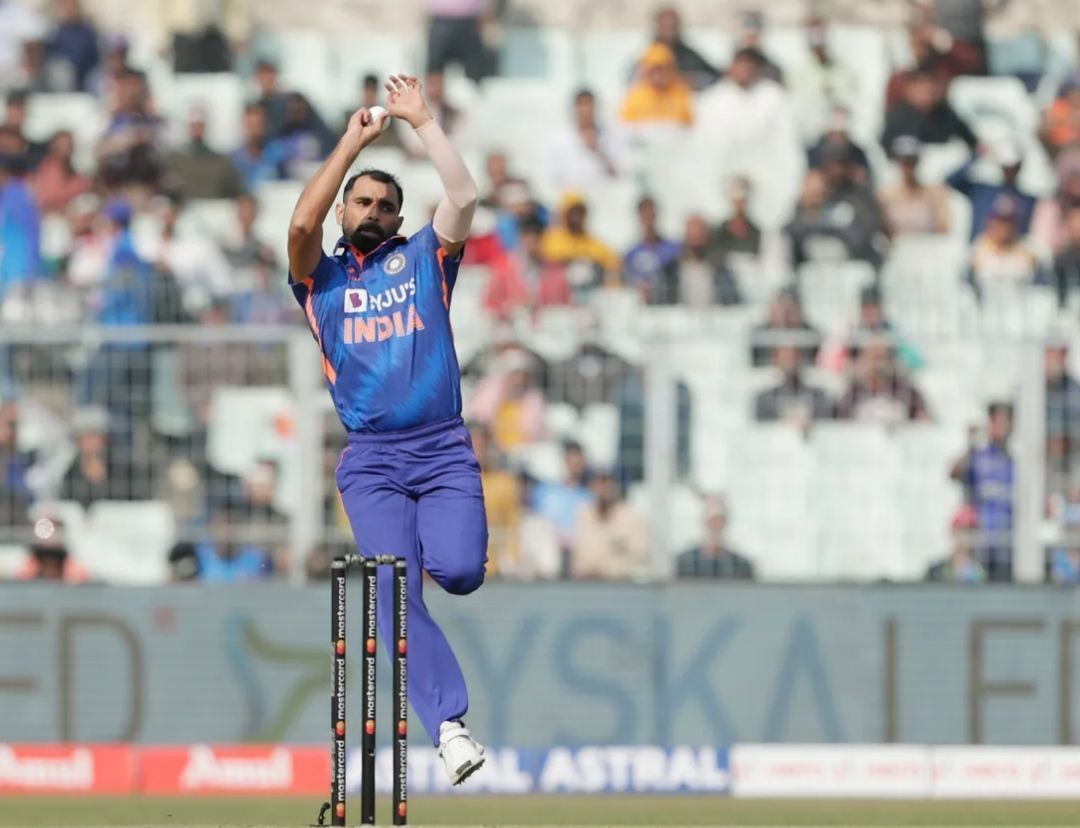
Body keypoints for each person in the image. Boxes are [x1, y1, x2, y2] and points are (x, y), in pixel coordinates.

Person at [286, 73, 485, 784]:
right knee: (394, 590)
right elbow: (300, 229)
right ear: (345, 209)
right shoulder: (320, 280)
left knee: (459, 571)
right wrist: (351, 141)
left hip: (442, 450)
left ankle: (431, 578)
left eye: (386, 204)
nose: (373, 210)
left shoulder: (424, 259)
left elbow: (462, 199)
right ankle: (450, 726)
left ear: (400, 218)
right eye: (362, 201)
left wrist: (423, 124)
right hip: (371, 459)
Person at [949, 403, 1014, 581]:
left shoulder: (1017, 459)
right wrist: (970, 445)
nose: (999, 427)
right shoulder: (978, 456)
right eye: (995, 421)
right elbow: (953, 473)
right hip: (980, 542)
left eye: (1004, 421)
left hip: (1010, 541)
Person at [946, 143, 1036, 240]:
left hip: (1013, 253)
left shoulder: (1029, 200)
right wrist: (976, 155)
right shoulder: (981, 191)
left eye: (1013, 167)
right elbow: (952, 181)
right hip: (979, 252)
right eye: (1006, 167)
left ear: (1019, 167)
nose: (1009, 171)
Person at [570, 468, 648, 580]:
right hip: (586, 583)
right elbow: (579, 557)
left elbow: (639, 556)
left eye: (607, 482)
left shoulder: (630, 516)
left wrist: (606, 569)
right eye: (599, 482)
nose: (603, 488)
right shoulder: (583, 514)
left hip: (619, 584)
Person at [546, 88, 628, 193]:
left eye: (590, 104)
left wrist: (600, 152)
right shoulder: (560, 140)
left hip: (605, 196)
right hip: (574, 199)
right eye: (582, 104)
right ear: (575, 108)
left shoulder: (610, 135)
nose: (587, 109)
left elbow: (620, 174)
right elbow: (554, 177)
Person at [878, 135, 951, 237]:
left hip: (928, 248)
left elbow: (944, 228)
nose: (908, 165)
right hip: (898, 249)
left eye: (912, 160)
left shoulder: (934, 194)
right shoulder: (884, 196)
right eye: (904, 160)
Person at [676, 494, 755, 579]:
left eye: (720, 520)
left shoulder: (741, 565)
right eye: (712, 520)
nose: (715, 526)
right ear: (703, 521)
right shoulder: (685, 562)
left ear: (726, 522)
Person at [754, 344, 832, 427]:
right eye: (785, 358)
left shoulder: (818, 395)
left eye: (793, 357)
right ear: (776, 360)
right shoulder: (765, 399)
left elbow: (824, 423)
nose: (790, 362)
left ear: (800, 358)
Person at [619, 43, 694, 128]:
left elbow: (688, 124)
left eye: (663, 70)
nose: (659, 76)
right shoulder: (636, 95)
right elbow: (626, 125)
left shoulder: (680, 93)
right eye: (654, 71)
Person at [623, 195, 680, 300]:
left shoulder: (673, 249)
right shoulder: (631, 253)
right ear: (639, 216)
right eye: (645, 212)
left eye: (651, 212)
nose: (649, 216)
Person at [651, 5, 719, 91]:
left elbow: (714, 76)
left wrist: (695, 80)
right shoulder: (646, 54)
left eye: (672, 26)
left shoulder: (690, 56)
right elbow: (632, 79)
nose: (669, 31)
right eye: (665, 26)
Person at [924, 504, 987, 584]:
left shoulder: (984, 572)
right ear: (953, 531)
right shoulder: (935, 571)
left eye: (972, 530)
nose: (968, 536)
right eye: (964, 529)